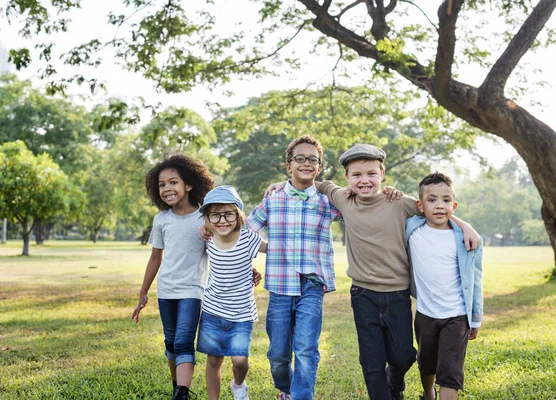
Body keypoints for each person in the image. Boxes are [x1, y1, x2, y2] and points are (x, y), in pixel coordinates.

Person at [314, 144, 480, 400]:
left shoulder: (399, 203)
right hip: (363, 294)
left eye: (371, 173)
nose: (364, 180)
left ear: (383, 174)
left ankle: (396, 380)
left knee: (404, 356)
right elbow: (322, 184)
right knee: (371, 361)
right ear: (347, 179)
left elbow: (436, 210)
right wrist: (282, 185)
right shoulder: (343, 199)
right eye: (356, 175)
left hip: (397, 295)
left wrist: (465, 225)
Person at [247, 135, 343, 400]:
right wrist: (212, 227)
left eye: (313, 159)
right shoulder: (273, 199)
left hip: (312, 284)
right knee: (277, 353)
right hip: (280, 285)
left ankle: (301, 396)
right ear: (288, 165)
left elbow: (361, 208)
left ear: (319, 166)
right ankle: (285, 388)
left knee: (305, 348)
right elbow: (245, 233)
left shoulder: (327, 202)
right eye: (299, 158)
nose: (306, 163)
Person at [131, 154, 214, 400]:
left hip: (192, 290)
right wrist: (143, 292)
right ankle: (177, 388)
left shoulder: (205, 218)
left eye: (173, 182)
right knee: (170, 344)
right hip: (166, 290)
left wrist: (245, 270)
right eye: (162, 184)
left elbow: (221, 251)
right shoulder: (161, 220)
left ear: (188, 184)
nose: (167, 188)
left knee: (183, 342)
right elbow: (155, 258)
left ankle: (183, 393)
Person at [406, 172, 483, 400]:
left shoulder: (466, 239)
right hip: (425, 313)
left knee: (450, 372)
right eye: (432, 200)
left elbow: (475, 279)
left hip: (457, 316)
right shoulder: (413, 228)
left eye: (446, 200)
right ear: (420, 205)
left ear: (454, 204)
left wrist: (476, 318)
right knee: (426, 362)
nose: (440, 205)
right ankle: (428, 393)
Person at [196, 186, 267, 400]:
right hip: (212, 310)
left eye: (228, 214)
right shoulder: (207, 238)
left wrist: (255, 273)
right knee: (214, 360)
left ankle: (238, 384)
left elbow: (272, 249)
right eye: (215, 215)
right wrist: (204, 227)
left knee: (239, 360)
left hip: (242, 313)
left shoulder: (247, 239)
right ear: (207, 218)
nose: (222, 220)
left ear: (238, 215)